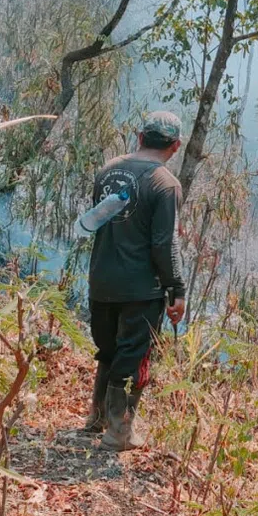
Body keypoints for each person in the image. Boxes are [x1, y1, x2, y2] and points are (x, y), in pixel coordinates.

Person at [82, 111, 187, 451]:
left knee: (108, 349)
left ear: (140, 137)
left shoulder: (108, 169)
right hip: (141, 288)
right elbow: (164, 242)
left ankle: (97, 419)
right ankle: (119, 433)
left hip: (101, 279)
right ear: (175, 146)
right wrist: (176, 289)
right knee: (133, 355)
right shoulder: (165, 184)